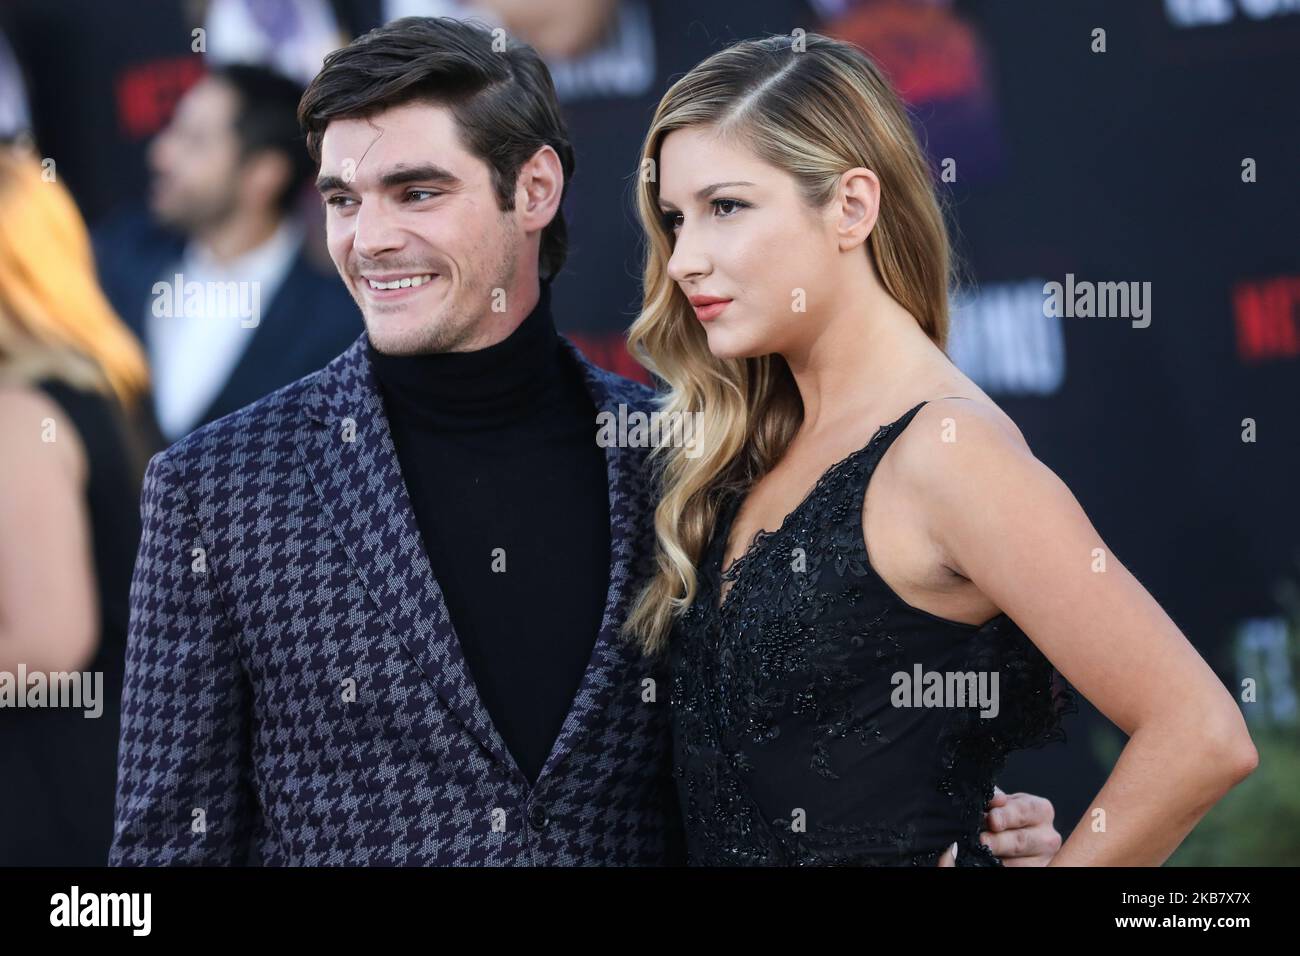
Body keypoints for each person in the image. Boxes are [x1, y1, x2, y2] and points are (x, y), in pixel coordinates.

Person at [110, 16, 1059, 866]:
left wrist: (960, 822)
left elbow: (787, 774)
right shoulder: (219, 487)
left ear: (533, 188)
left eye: (416, 191)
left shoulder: (693, 461)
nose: (369, 238)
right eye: (345, 199)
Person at [622, 33, 1258, 865]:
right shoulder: (754, 445)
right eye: (674, 219)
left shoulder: (949, 452)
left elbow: (1201, 734)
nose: (685, 260)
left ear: (851, 207)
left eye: (727, 208)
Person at [0, 148, 162, 865]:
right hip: (118, 772)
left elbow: (48, 642)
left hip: (48, 791)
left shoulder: (20, 410)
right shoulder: (109, 385)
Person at [94, 63, 361, 443]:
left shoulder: (337, 329)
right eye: (173, 130)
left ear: (264, 175)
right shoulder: (118, 258)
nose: (161, 154)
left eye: (195, 141)